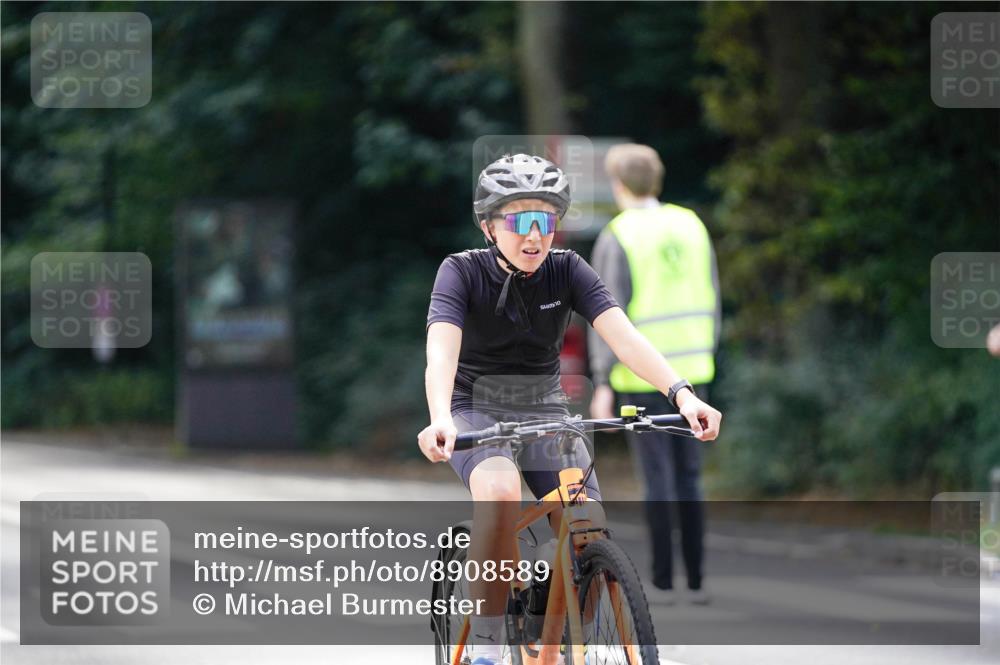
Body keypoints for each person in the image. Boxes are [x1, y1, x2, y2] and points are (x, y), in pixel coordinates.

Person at [418, 153, 722, 665]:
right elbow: (441, 351)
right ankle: (489, 642)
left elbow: (624, 337)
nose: (535, 235)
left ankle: (556, 636)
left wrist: (682, 393)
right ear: (490, 225)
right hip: (474, 408)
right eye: (520, 220)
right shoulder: (461, 272)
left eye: (547, 220)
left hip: (544, 408)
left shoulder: (567, 270)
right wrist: (440, 416)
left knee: (586, 525)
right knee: (499, 490)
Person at [588, 144, 720, 606]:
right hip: (694, 371)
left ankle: (662, 583)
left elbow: (608, 314)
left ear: (619, 184)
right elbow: (713, 296)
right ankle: (698, 580)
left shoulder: (617, 235)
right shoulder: (691, 224)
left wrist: (602, 380)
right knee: (690, 479)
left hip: (638, 379)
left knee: (657, 480)